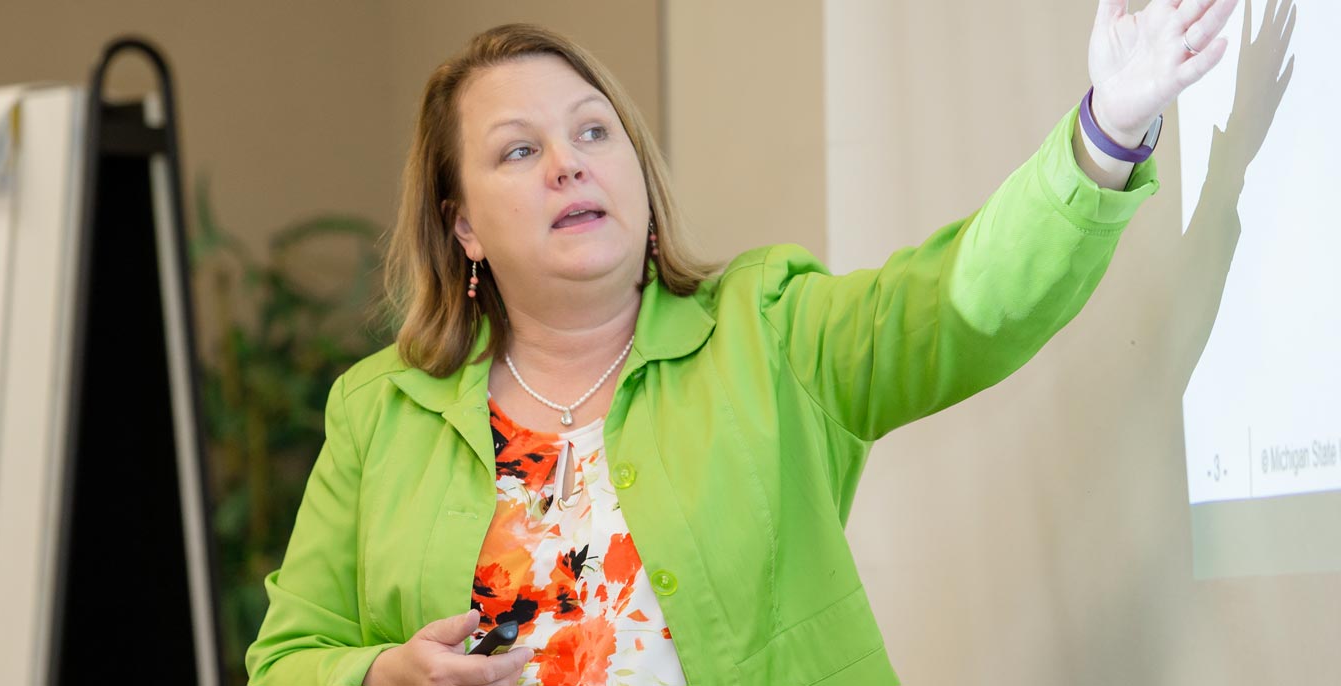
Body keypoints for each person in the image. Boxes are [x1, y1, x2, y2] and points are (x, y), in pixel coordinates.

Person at [247, 1, 1237, 683]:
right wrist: (379, 673)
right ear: (462, 224)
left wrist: (1105, 132)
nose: (567, 165)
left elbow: (963, 304)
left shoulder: (766, 329)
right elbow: (286, 659)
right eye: (519, 149)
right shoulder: (379, 410)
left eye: (592, 132)